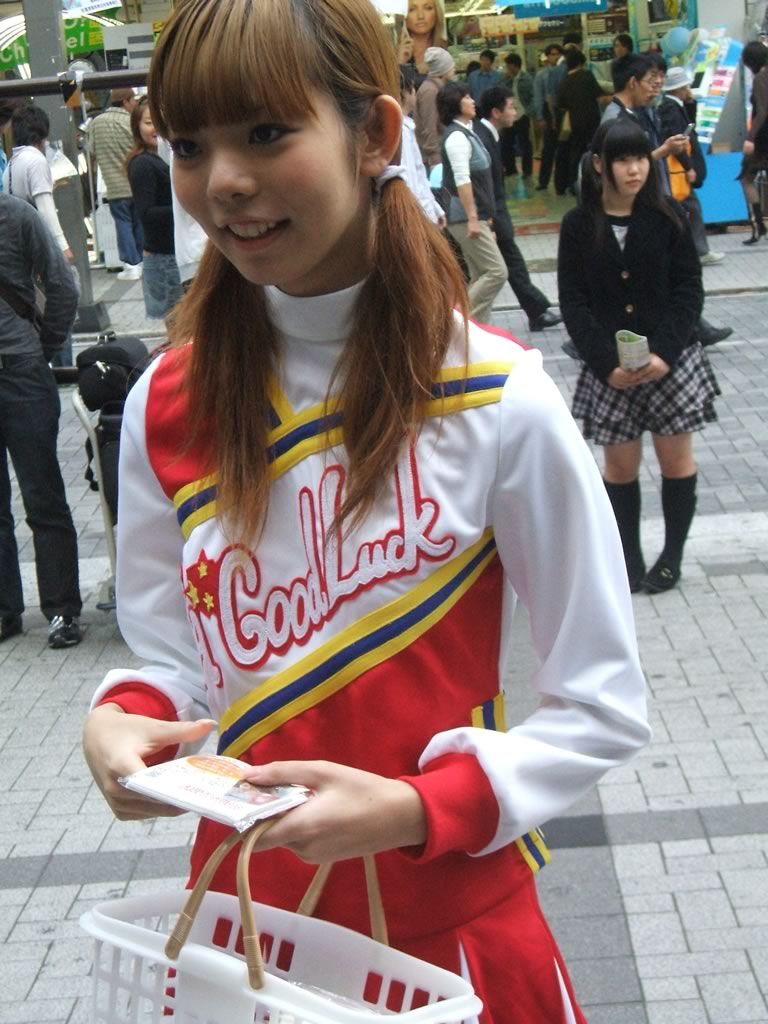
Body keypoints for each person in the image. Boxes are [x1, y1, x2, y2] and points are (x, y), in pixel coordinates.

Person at [81, 2, 649, 1021]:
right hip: (241, 948)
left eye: (266, 133)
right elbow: (171, 660)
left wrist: (421, 806)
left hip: (454, 950)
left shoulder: (494, 394)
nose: (223, 182)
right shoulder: (166, 403)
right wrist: (125, 721)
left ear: (377, 133)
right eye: (192, 145)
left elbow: (602, 701)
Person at [558, 119, 718, 594]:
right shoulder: (579, 225)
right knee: (620, 467)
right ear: (599, 164)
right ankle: (628, 558)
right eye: (623, 160)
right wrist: (605, 362)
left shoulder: (668, 216)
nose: (634, 170)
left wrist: (666, 353)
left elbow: (688, 291)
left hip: (671, 363)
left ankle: (671, 558)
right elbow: (573, 301)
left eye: (641, 159)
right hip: (611, 370)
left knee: (676, 461)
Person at [601, 54, 733, 348]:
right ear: (632, 82)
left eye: (660, 79)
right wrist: (663, 151)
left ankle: (693, 328)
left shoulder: (640, 112)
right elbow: (619, 166)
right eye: (651, 80)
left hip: (651, 202)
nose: (657, 85)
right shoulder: (615, 118)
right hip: (637, 206)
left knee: (665, 273)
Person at [0, 190, 83, 648]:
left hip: (21, 373)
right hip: (23, 366)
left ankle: (62, 610)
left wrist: (43, 348)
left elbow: (63, 284)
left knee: (43, 496)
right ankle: (5, 610)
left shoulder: (17, 216)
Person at [474, 86, 562, 332]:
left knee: (508, 266)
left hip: (493, 214)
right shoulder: (482, 137)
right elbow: (485, 184)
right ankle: (470, 319)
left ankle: (536, 311)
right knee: (503, 267)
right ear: (496, 112)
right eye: (511, 107)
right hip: (490, 215)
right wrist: (489, 220)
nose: (515, 112)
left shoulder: (489, 134)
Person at [438, 81, 507, 323]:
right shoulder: (457, 137)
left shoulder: (466, 132)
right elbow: (462, 180)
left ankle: (476, 332)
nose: (473, 101)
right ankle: (458, 324)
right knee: (496, 271)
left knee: (480, 273)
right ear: (455, 104)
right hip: (464, 216)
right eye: (467, 97)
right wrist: (473, 218)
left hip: (472, 215)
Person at [659, 66, 724, 264]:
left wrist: (690, 103)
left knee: (688, 208)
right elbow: (678, 140)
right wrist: (688, 167)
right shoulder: (670, 108)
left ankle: (696, 251)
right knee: (690, 208)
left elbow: (689, 126)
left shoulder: (675, 106)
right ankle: (699, 251)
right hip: (678, 169)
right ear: (680, 88)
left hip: (679, 169)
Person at [125, 97, 183, 319]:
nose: (156, 128)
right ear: (137, 127)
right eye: (149, 123)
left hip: (170, 255)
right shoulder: (143, 164)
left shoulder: (165, 157)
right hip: (164, 259)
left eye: (160, 121)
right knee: (179, 328)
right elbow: (147, 213)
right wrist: (184, 207)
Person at [89, 88, 144, 281]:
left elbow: (91, 151)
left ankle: (131, 264)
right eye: (133, 100)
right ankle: (141, 261)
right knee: (139, 223)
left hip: (113, 186)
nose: (135, 104)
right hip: (136, 182)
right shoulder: (130, 121)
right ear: (125, 101)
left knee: (123, 224)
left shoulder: (96, 123)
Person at [399, 65, 446, 226]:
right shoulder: (400, 130)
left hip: (423, 215)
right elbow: (410, 181)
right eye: (412, 88)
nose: (415, 93)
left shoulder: (406, 126)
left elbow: (420, 176)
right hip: (416, 219)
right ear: (404, 92)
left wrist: (435, 209)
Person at [557, 48, 608, 193]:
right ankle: (594, 181)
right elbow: (601, 98)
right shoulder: (587, 76)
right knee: (594, 151)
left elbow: (561, 104)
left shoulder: (564, 81)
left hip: (574, 122)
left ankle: (574, 184)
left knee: (576, 152)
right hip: (591, 120)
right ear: (581, 63)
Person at [738, 40, 768, 245]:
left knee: (747, 178)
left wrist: (750, 138)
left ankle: (758, 226)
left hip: (762, 138)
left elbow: (762, 112)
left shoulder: (760, 78)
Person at [415, 46, 455, 171]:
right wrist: (434, 159)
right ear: (442, 70)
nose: (454, 68)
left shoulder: (437, 88)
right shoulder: (430, 91)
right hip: (433, 159)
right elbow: (429, 126)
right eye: (450, 65)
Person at [533, 43, 567, 192]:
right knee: (548, 148)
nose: (555, 57)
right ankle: (543, 181)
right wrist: (540, 117)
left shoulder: (565, 71)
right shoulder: (542, 74)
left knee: (563, 148)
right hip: (548, 112)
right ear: (547, 57)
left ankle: (563, 181)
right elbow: (539, 96)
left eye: (557, 54)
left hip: (563, 111)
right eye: (552, 54)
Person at [501, 53, 534, 178]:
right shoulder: (506, 79)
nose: (507, 68)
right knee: (506, 143)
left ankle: (527, 171)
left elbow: (532, 96)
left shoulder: (526, 79)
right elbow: (500, 92)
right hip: (509, 116)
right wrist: (504, 80)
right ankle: (511, 169)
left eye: (508, 66)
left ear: (515, 66)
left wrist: (528, 112)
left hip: (522, 115)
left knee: (525, 143)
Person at [396, 0, 448, 78]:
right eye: (412, 9)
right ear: (403, 17)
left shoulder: (447, 49)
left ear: (437, 13)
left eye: (428, 8)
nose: (420, 16)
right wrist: (399, 64)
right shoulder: (393, 54)